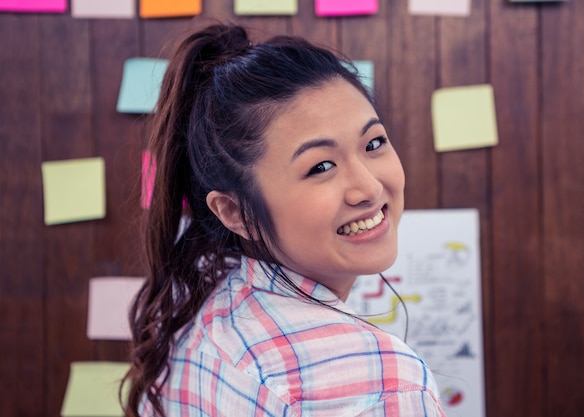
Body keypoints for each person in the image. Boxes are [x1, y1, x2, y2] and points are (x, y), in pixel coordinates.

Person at [123, 22, 446, 417]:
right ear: (234, 212)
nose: (369, 187)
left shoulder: (199, 321)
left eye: (374, 143)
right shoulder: (379, 382)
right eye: (321, 166)